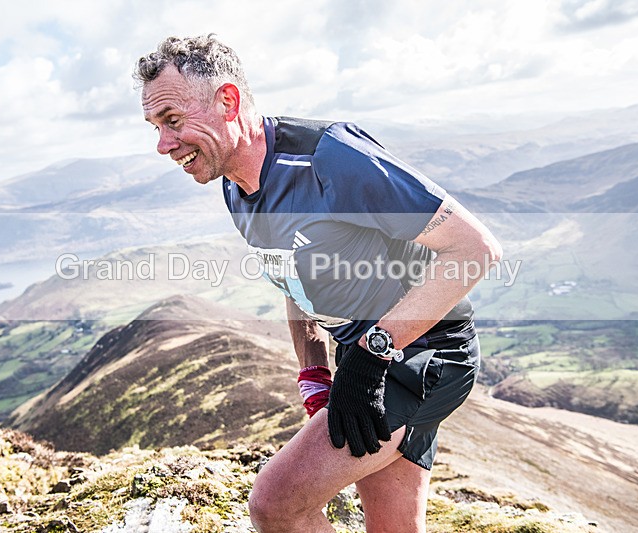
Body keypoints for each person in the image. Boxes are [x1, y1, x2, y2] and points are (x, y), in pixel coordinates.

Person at [135, 34, 502, 533]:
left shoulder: (330, 158)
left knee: (275, 505)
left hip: (423, 353)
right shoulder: (235, 185)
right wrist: (315, 374)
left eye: (173, 120)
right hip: (365, 358)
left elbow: (474, 249)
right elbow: (297, 276)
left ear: (227, 101)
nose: (162, 144)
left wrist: (372, 356)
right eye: (156, 127)